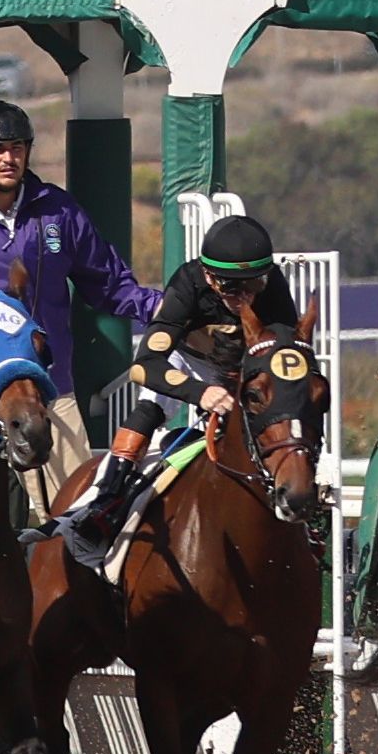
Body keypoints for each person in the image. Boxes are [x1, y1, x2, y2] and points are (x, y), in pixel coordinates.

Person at [0, 100, 159, 495]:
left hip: (50, 391)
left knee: (79, 510)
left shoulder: (60, 211)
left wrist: (166, 309)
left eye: (17, 148)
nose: (8, 159)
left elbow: (110, 285)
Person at [55, 212, 313, 556]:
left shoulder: (273, 286)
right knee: (149, 409)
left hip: (244, 367)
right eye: (230, 286)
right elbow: (145, 366)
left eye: (253, 285)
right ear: (208, 276)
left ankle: (302, 498)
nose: (243, 298)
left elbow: (283, 356)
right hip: (187, 360)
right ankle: (107, 499)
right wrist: (200, 392)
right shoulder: (187, 284)